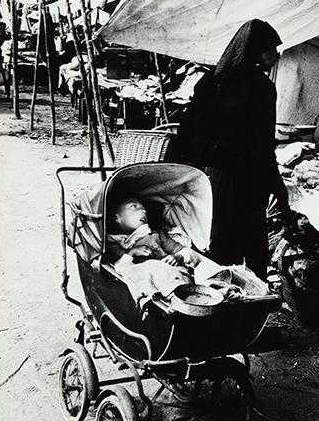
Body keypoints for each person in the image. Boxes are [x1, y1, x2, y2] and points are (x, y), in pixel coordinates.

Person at [166, 19, 293, 279]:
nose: (275, 55)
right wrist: (278, 189)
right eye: (271, 49)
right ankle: (252, 300)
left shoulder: (212, 81)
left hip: (218, 178)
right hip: (250, 178)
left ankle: (218, 296)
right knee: (253, 243)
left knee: (222, 240)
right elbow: (264, 144)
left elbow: (189, 131)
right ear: (255, 51)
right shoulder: (262, 88)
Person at [106, 197, 191, 266]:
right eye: (134, 206)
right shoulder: (113, 243)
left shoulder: (155, 234)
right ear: (116, 218)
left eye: (143, 208)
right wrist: (132, 252)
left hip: (168, 272)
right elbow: (120, 266)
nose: (144, 211)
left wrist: (178, 257)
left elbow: (180, 250)